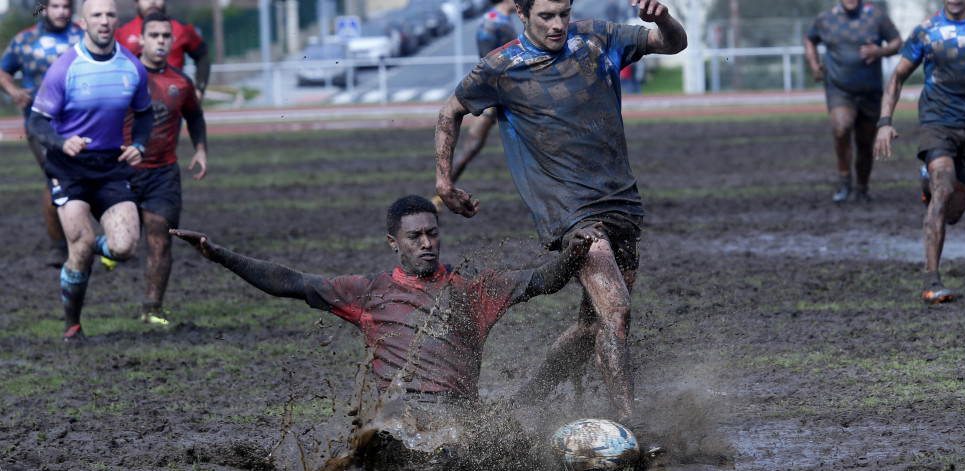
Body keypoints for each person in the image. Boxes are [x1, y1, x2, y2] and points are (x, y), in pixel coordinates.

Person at [171, 195, 601, 467]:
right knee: (387, 445)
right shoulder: (367, 291)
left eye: (433, 233)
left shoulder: (473, 288)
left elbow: (542, 279)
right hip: (400, 414)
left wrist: (574, 251)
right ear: (393, 242)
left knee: (498, 451)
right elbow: (290, 281)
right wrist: (218, 254)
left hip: (459, 412)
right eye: (415, 237)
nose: (427, 243)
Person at [434, 0, 687, 431]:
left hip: (623, 203)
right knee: (618, 312)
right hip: (571, 215)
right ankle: (629, 424)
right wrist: (444, 182)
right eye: (546, 16)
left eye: (563, 14)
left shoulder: (597, 38)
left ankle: (527, 398)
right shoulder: (501, 67)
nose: (558, 25)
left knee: (592, 326)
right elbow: (450, 111)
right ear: (522, 12)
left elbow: (672, 45)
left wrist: (661, 18)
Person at [28, 0, 154, 342]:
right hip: (69, 170)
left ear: (118, 21)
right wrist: (61, 141)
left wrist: (139, 145)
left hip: (111, 167)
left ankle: (91, 244)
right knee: (80, 247)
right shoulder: (64, 67)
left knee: (126, 247)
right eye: (96, 15)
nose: (104, 20)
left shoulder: (132, 67)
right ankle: (73, 326)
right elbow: (36, 121)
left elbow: (144, 113)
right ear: (83, 23)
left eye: (110, 14)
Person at [874, 0, 965, 305]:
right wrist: (884, 122)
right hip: (938, 123)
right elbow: (897, 77)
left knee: (954, 213)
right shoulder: (927, 30)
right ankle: (931, 280)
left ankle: (927, 184)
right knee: (944, 190)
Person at [124, 12, 208, 325]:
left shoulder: (181, 82)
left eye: (165, 36)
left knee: (160, 237)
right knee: (124, 243)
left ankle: (152, 309)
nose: (161, 40)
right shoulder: (124, 73)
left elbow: (195, 117)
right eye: (154, 35)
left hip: (163, 173)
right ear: (142, 40)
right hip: (121, 172)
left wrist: (200, 150)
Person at [0, 0, 84, 268]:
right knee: (56, 178)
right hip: (40, 126)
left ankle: (87, 237)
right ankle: (58, 247)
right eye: (55, 6)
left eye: (66, 6)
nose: (61, 11)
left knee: (88, 180)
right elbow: (3, 71)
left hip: (81, 123)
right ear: (44, 8)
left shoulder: (83, 37)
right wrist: (13, 92)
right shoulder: (24, 40)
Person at [804, 0, 901, 204]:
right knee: (841, 127)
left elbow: (897, 42)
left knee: (865, 143)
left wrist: (879, 52)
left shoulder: (876, 17)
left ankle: (862, 188)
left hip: (870, 92)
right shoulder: (826, 19)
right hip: (839, 90)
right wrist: (814, 64)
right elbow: (809, 39)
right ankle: (844, 178)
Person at [431, 0, 519, 212]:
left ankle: (440, 195)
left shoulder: (499, 20)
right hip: (501, 95)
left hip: (504, 94)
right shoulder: (492, 22)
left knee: (474, 144)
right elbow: (489, 62)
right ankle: (441, 194)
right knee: (472, 144)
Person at [115, 0, 210, 101]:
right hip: (134, 103)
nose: (152, 2)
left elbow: (202, 56)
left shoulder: (182, 28)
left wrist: (199, 89)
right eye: (154, 35)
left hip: (174, 100)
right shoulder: (120, 31)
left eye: (166, 36)